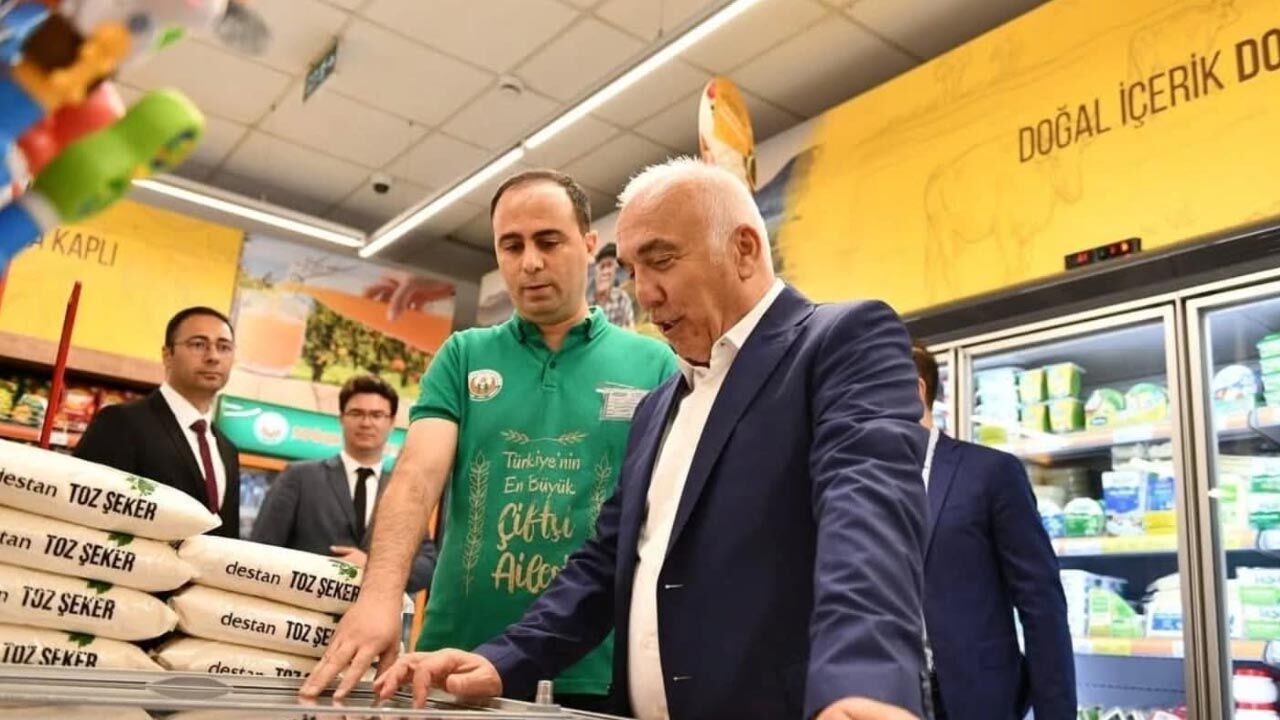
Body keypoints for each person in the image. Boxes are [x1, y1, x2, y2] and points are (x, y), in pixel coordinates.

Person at [363, 158, 931, 720]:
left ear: (743, 249)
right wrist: (501, 662)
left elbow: (867, 507)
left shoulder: (839, 342)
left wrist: (865, 679)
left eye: (661, 261)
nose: (644, 293)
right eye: (633, 269)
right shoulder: (659, 403)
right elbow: (605, 563)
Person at [300, 169, 679, 709]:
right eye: (512, 245)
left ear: (589, 244)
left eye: (549, 241)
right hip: (451, 660)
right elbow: (416, 478)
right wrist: (381, 595)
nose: (530, 262)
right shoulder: (463, 355)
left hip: (593, 669)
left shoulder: (655, 363)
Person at [911, 343, 1076, 720]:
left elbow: (1041, 603)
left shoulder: (989, 473)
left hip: (975, 700)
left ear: (915, 391)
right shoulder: (865, 484)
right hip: (888, 700)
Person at [250, 374, 437, 592]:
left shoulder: (401, 490)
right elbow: (261, 551)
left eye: (377, 415)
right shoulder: (299, 477)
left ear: (392, 422)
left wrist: (373, 568)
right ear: (341, 418)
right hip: (301, 608)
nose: (366, 423)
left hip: (372, 611)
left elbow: (428, 564)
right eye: (356, 413)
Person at [76, 306, 241, 538]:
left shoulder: (227, 450)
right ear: (167, 355)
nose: (213, 357)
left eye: (224, 347)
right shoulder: (122, 423)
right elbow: (84, 511)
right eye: (198, 344)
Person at [592, 243, 634, 329]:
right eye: (602, 266)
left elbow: (630, 330)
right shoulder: (586, 299)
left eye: (609, 265)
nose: (605, 272)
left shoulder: (621, 298)